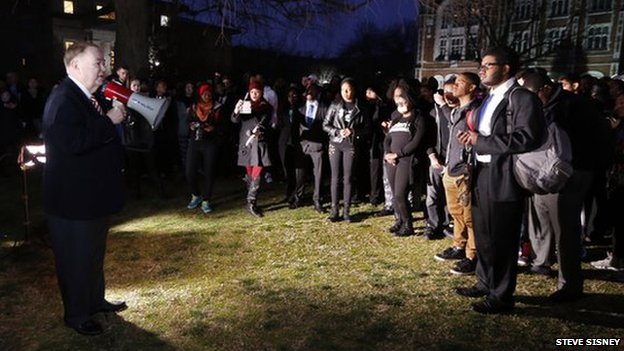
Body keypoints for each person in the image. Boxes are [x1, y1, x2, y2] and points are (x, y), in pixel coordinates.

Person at [42, 42, 128, 335]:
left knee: (92, 255)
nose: (103, 70)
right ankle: (77, 315)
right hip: (72, 203)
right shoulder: (63, 99)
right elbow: (74, 143)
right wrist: (109, 121)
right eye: (98, 63)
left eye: (104, 63)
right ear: (75, 65)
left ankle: (94, 300)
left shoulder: (85, 97)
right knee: (74, 259)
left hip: (90, 199)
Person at [456, 46, 545, 314]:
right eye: (481, 64)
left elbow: (528, 137)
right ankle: (485, 282)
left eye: (488, 65)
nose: (482, 69)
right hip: (481, 174)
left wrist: (481, 142)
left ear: (506, 67)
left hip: (504, 177)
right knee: (483, 234)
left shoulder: (522, 98)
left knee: (502, 239)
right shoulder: (488, 97)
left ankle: (502, 296)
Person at [521, 69, 600, 301]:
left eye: (532, 96)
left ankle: (570, 284)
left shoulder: (572, 106)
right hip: (545, 173)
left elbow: (581, 142)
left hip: (569, 173)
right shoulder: (549, 105)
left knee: (565, 229)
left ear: (545, 89)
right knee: (541, 217)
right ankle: (541, 262)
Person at [434, 72, 481, 276]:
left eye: (460, 82)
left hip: (465, 171)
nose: (455, 85)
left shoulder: (476, 111)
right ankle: (458, 246)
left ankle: (473, 255)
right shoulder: (456, 110)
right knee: (456, 213)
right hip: (451, 169)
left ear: (471, 88)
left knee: (470, 216)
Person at [384, 83, 435, 236]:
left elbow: (416, 142)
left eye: (402, 98)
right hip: (391, 161)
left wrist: (397, 154)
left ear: (409, 98)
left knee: (401, 193)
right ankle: (399, 220)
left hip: (407, 160)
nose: (399, 101)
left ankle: (408, 224)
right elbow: (387, 138)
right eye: (396, 98)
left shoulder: (419, 118)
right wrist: (387, 154)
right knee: (395, 194)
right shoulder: (396, 117)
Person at [323, 77, 370, 222]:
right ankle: (334, 210)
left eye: (349, 89)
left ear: (354, 90)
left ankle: (347, 211)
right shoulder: (335, 105)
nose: (346, 93)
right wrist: (337, 132)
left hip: (350, 145)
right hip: (336, 143)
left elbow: (367, 128)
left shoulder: (361, 108)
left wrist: (354, 132)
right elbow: (325, 125)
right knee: (335, 177)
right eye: (343, 90)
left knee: (348, 178)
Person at [232, 80, 273, 217]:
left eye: (257, 92)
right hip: (246, 142)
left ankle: (251, 202)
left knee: (258, 171)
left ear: (261, 92)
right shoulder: (245, 105)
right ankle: (250, 204)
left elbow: (266, 123)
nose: (254, 94)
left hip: (259, 142)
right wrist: (236, 111)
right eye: (252, 92)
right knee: (249, 172)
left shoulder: (266, 106)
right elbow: (234, 120)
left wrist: (260, 130)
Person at [424, 79, 455, 240]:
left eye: (452, 91)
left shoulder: (458, 111)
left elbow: (454, 121)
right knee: (433, 195)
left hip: (454, 161)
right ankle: (433, 224)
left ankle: (450, 225)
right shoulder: (434, 111)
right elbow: (427, 135)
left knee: (452, 197)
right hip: (437, 157)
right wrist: (432, 155)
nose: (448, 96)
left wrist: (443, 105)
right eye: (446, 92)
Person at [185, 83, 222, 213]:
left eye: (209, 93)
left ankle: (206, 199)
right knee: (189, 171)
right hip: (195, 140)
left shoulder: (217, 107)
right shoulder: (194, 106)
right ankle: (196, 195)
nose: (207, 95)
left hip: (210, 142)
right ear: (200, 94)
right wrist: (191, 126)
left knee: (209, 171)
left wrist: (213, 128)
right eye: (204, 93)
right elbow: (188, 121)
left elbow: (223, 125)